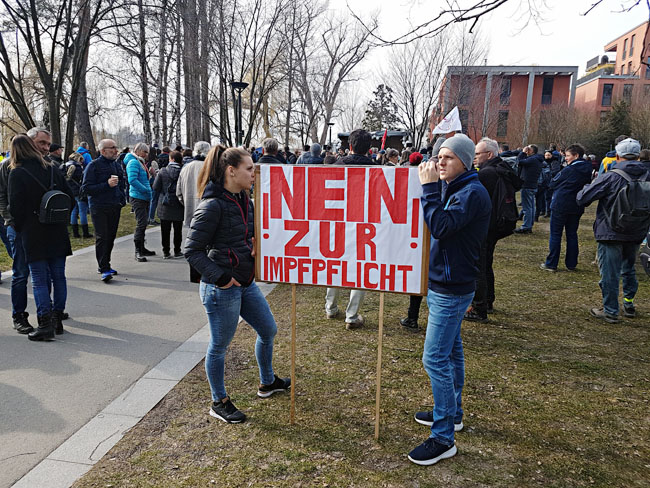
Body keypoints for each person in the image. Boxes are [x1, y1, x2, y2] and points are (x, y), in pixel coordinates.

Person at [184, 146, 290, 423]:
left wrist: (253, 243)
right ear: (231, 171)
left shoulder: (244, 200)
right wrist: (221, 277)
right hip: (221, 288)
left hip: (245, 281)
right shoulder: (212, 205)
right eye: (249, 169)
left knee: (268, 329)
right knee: (219, 346)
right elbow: (191, 250)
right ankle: (219, 401)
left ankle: (267, 382)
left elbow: (246, 233)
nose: (254, 174)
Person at [408, 134, 491, 466]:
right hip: (447, 283)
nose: (440, 162)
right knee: (451, 352)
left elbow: (441, 226)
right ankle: (452, 414)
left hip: (452, 288)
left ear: (466, 162)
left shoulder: (471, 192)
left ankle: (443, 437)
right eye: (438, 157)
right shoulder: (459, 188)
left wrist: (428, 190)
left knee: (434, 360)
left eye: (449, 158)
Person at [0, 127, 70, 333]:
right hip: (43, 230)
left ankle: (46, 321)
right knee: (29, 274)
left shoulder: (35, 169)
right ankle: (27, 316)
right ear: (30, 143)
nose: (46, 148)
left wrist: (23, 224)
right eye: (42, 143)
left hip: (31, 231)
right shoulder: (12, 167)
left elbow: (18, 205)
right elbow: (4, 198)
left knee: (42, 277)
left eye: (48, 144)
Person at [577, 137, 648, 323]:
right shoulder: (647, 176)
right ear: (638, 156)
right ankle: (629, 304)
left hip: (610, 230)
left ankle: (610, 310)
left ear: (617, 155)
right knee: (629, 268)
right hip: (637, 230)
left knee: (610, 272)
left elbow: (583, 198)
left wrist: (587, 186)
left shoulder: (611, 176)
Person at [464, 137, 521, 322]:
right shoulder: (503, 168)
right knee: (486, 263)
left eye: (477, 154)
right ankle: (488, 300)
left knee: (479, 265)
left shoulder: (487, 173)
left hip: (487, 225)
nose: (474, 157)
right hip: (499, 222)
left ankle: (479, 307)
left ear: (489, 154)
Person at [327, 129, 376, 329]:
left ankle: (330, 307)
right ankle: (352, 315)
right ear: (369, 148)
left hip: (337, 223)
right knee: (361, 268)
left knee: (335, 263)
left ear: (350, 146)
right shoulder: (377, 169)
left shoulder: (336, 166)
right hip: (365, 224)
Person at [540, 144, 593, 272]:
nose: (566, 158)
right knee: (572, 234)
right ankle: (571, 263)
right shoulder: (587, 169)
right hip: (577, 204)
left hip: (561, 203)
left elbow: (553, 183)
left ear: (576, 155)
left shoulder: (569, 170)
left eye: (568, 156)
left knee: (556, 234)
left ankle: (551, 263)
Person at [81, 139, 126, 282]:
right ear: (103, 151)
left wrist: (121, 198)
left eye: (115, 147)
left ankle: (106, 263)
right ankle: (103, 267)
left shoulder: (116, 165)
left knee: (111, 237)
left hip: (114, 205)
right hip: (99, 206)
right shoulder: (93, 166)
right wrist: (106, 185)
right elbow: (86, 189)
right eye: (112, 148)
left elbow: (121, 183)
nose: (115, 150)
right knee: (102, 236)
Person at [177, 141, 211, 283]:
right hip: (208, 210)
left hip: (191, 210)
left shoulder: (186, 168)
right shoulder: (209, 168)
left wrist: (186, 203)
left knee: (194, 244)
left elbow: (178, 191)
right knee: (208, 244)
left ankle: (195, 275)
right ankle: (207, 274)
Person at [125, 143, 156, 262]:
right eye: (145, 152)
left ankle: (142, 248)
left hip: (144, 197)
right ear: (138, 151)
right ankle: (138, 251)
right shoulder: (133, 162)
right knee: (141, 223)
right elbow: (132, 180)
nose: (147, 155)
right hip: (138, 197)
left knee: (144, 223)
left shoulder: (140, 162)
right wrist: (145, 189)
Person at [153, 150, 184, 258]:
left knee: (165, 230)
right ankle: (177, 250)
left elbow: (155, 187)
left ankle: (166, 251)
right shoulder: (183, 171)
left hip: (164, 204)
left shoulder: (162, 171)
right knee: (178, 230)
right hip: (179, 204)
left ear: (172, 159)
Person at [514, 144, 543, 234]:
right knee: (531, 207)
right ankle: (529, 225)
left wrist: (522, 153)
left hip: (527, 185)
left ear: (531, 151)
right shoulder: (538, 159)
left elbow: (519, 162)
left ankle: (526, 227)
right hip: (533, 185)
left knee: (527, 208)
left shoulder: (532, 159)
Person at [66, 152, 92, 238]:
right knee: (82, 212)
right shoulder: (77, 168)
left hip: (70, 191)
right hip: (79, 191)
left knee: (74, 212)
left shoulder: (64, 166)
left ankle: (75, 233)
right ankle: (85, 233)